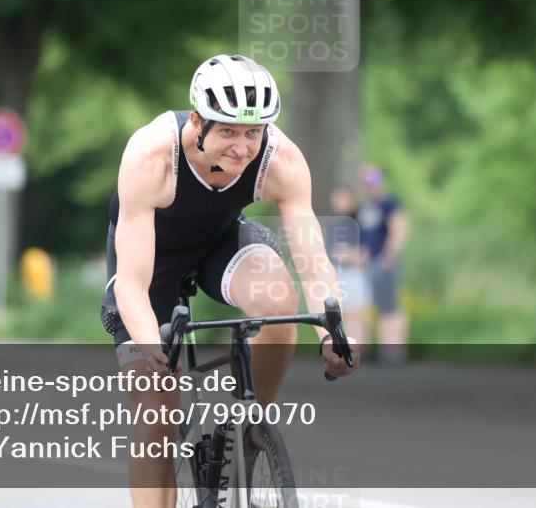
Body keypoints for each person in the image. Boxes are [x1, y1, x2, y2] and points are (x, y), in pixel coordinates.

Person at [101, 54, 361, 508]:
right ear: (198, 122)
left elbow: (312, 258)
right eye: (227, 131)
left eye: (253, 133)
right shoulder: (150, 157)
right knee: (155, 412)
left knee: (280, 302)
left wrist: (330, 330)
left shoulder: (281, 160)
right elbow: (132, 285)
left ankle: (250, 432)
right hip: (150, 264)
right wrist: (154, 353)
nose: (242, 148)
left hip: (221, 241)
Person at [358, 164, 409, 364]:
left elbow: (399, 227)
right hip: (371, 262)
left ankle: (395, 351)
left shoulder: (389, 203)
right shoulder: (368, 207)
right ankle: (385, 350)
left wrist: (390, 254)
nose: (370, 187)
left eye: (372, 183)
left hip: (385, 260)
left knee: (391, 306)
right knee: (379, 307)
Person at [327, 185, 371, 345]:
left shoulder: (358, 221)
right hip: (341, 272)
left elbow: (363, 253)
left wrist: (349, 254)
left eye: (341, 198)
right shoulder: (335, 223)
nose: (336, 202)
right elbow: (334, 251)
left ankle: (360, 346)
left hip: (355, 273)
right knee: (345, 313)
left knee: (356, 313)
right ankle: (351, 346)